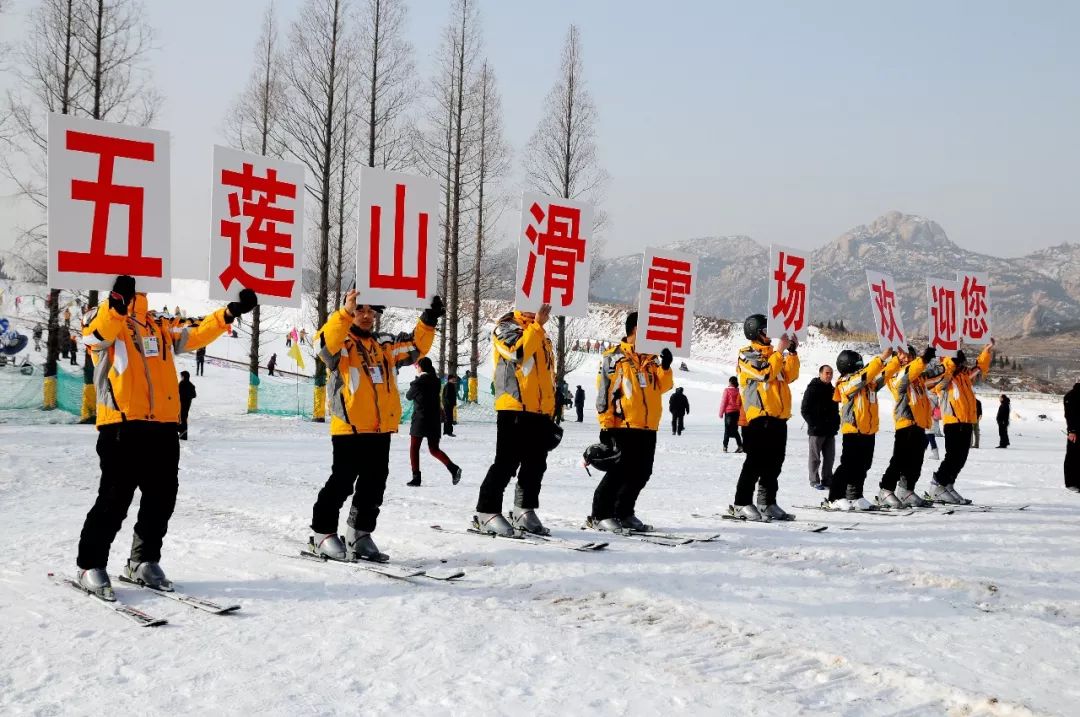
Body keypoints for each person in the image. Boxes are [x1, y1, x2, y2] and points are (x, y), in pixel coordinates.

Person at [74, 275, 256, 599]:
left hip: (162, 426)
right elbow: (96, 335)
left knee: (161, 498)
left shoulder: (158, 324)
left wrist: (229, 313)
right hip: (121, 424)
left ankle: (143, 560)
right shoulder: (101, 316)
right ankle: (90, 563)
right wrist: (116, 303)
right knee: (114, 500)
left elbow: (194, 331)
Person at [307, 291, 442, 563]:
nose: (367, 316)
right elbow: (323, 345)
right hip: (349, 428)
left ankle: (360, 533)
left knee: (374, 483)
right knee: (342, 481)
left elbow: (416, 346)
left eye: (372, 310)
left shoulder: (385, 344)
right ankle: (323, 533)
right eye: (360, 310)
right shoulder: (340, 341)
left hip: (380, 428)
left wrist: (428, 320)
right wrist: (344, 313)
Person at [474, 302, 558, 537]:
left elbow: (547, 373)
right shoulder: (506, 327)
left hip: (539, 410)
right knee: (506, 463)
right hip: (514, 407)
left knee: (535, 464)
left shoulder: (540, 332)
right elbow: (517, 352)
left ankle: (524, 509)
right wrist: (537, 327)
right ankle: (486, 511)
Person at [587, 311, 673, 531]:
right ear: (635, 330)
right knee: (619, 472)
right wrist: (606, 426)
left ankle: (623, 512)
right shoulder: (615, 357)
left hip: (647, 426)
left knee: (642, 472)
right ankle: (600, 514)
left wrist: (665, 368)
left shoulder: (651, 359)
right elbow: (604, 393)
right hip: (623, 426)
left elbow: (661, 387)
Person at [729, 315, 799, 521]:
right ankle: (741, 502)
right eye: (765, 330)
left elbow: (790, 376)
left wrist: (792, 353)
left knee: (775, 462)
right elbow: (764, 374)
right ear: (754, 332)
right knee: (755, 462)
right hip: (760, 416)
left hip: (779, 416)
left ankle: (767, 502)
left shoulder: (774, 354)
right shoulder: (747, 354)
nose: (769, 334)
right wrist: (779, 352)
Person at [927, 342, 994, 504]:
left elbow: (979, 369)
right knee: (953, 457)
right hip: (953, 421)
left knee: (961, 457)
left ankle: (948, 484)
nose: (963, 365)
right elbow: (934, 382)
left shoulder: (964, 375)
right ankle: (937, 485)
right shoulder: (945, 376)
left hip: (966, 421)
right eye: (961, 362)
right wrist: (950, 361)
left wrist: (986, 352)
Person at [827, 347, 891, 510]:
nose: (861, 365)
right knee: (848, 465)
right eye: (858, 363)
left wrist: (895, 361)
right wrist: (881, 359)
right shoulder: (847, 382)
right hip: (853, 429)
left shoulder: (867, 383)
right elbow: (865, 375)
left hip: (868, 430)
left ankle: (855, 495)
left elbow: (885, 375)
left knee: (863, 465)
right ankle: (835, 497)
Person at [877, 344, 939, 507]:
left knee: (915, 461)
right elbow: (907, 374)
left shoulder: (918, 376)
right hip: (905, 421)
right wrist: (923, 359)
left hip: (919, 422)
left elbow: (937, 372)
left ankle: (906, 490)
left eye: (910, 355)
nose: (908, 358)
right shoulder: (896, 375)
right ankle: (885, 489)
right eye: (905, 355)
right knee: (900, 459)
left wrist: (949, 358)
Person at [405, 357, 461, 487]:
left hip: (420, 418)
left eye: (417, 366)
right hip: (434, 419)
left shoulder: (418, 382)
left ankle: (416, 477)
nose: (416, 368)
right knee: (434, 449)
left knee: (414, 448)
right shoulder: (436, 381)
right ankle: (453, 468)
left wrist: (415, 381)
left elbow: (408, 396)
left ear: (421, 367)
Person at [801, 364, 839, 490]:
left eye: (831, 373)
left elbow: (835, 410)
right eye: (827, 373)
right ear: (820, 373)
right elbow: (804, 409)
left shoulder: (832, 390)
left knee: (830, 457)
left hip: (830, 430)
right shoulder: (812, 389)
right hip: (816, 431)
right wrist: (814, 424)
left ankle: (828, 479)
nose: (829, 375)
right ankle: (814, 480)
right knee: (815, 457)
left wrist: (836, 424)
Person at [718, 376, 743, 453]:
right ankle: (740, 446)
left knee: (727, 430)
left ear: (730, 382)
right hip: (737, 413)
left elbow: (724, 402)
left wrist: (721, 413)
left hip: (729, 413)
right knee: (735, 430)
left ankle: (725, 447)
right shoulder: (739, 391)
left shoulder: (727, 390)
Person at [1065, 383, 1080, 493]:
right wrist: (1072, 431)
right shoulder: (1071, 396)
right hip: (1075, 432)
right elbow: (1070, 415)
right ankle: (1071, 483)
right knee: (1073, 456)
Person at [178, 371, 196, 440]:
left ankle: (182, 433)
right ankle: (183, 434)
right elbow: (194, 395)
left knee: (182, 418)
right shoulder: (191, 385)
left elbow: (178, 394)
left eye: (181, 376)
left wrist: (183, 396)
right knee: (184, 418)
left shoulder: (181, 384)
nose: (181, 377)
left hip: (181, 404)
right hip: (188, 404)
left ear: (184, 376)